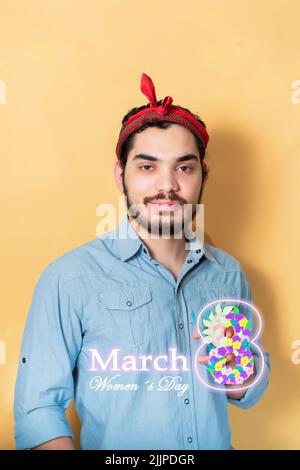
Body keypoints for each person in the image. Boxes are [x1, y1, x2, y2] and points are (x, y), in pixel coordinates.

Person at [14, 73, 270, 450]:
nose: (167, 185)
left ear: (203, 176)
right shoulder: (69, 277)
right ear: (121, 176)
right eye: (147, 167)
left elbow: (248, 390)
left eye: (184, 167)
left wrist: (233, 367)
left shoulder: (228, 273)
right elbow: (37, 410)